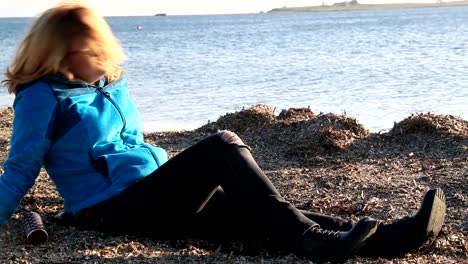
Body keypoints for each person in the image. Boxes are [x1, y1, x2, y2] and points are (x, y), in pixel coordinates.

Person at [0, 3, 446, 263]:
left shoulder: (105, 85)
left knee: (260, 211)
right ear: (58, 52)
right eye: (88, 49)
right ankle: (312, 243)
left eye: (102, 45)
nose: (102, 55)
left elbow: (128, 145)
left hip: (152, 194)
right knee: (223, 145)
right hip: (110, 209)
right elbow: (20, 167)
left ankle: (394, 237)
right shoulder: (42, 96)